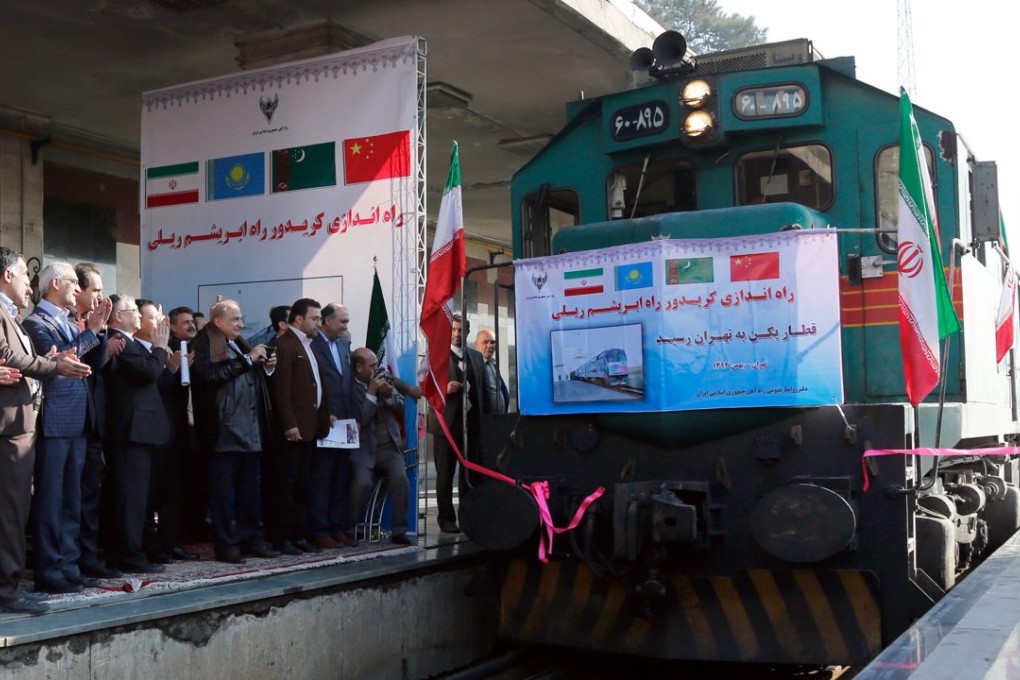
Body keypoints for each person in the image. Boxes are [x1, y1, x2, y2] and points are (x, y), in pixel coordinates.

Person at [0, 247, 91, 614]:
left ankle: (12, 584)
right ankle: (10, 589)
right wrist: (53, 365)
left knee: (18, 510)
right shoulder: (19, 317)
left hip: (22, 426)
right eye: (25, 275)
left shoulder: (13, 315)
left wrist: (50, 362)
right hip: (12, 428)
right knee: (12, 512)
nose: (29, 283)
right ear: (7, 275)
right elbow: (9, 357)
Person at [22, 262, 110, 594]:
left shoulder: (71, 321)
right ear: (56, 284)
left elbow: (92, 364)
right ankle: (49, 569)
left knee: (73, 498)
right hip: (55, 420)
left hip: (79, 419)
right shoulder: (35, 323)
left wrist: (97, 331)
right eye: (73, 282)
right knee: (51, 499)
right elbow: (57, 362)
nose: (77, 288)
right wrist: (90, 332)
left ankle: (70, 566)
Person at [191, 300, 281, 564]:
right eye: (235, 320)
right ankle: (226, 545)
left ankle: (252, 541)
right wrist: (248, 359)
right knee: (222, 496)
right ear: (218, 321)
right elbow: (210, 376)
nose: (241, 324)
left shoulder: (238, 344)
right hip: (222, 431)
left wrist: (265, 365)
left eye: (241, 319)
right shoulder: (205, 342)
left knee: (249, 493)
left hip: (248, 430)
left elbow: (249, 376)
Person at [104, 295, 171, 574]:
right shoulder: (118, 339)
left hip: (140, 431)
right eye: (134, 311)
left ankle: (132, 550)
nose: (140, 317)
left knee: (137, 497)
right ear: (119, 316)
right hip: (129, 431)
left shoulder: (129, 341)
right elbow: (148, 372)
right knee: (130, 498)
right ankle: (129, 555)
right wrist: (160, 348)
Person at [267, 298, 332, 555]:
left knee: (302, 484)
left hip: (309, 427)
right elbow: (281, 390)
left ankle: (299, 535)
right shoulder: (284, 345)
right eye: (314, 318)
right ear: (298, 319)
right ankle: (283, 537)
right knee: (287, 485)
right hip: (293, 431)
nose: (318, 323)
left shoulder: (308, 345)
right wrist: (289, 423)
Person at [73, 262, 124, 579]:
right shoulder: (68, 323)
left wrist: (101, 340)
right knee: (71, 498)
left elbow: (97, 370)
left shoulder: (95, 325)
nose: (100, 298)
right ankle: (70, 560)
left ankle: (88, 558)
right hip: (68, 421)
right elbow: (67, 362)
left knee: (90, 494)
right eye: (95, 290)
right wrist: (93, 333)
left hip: (94, 421)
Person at [140, 301, 199, 563]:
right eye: (156, 318)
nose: (159, 323)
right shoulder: (150, 350)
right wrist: (172, 369)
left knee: (173, 491)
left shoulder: (178, 350)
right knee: (151, 492)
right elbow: (152, 387)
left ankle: (171, 541)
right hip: (153, 432)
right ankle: (149, 544)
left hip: (176, 431)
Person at [347, 348, 411, 545]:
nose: (377, 369)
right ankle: (348, 529)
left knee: (401, 479)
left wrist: (389, 396)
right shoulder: (350, 388)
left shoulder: (384, 379)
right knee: (362, 483)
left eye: (377, 364)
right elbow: (362, 419)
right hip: (363, 450)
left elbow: (401, 406)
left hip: (388, 448)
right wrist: (372, 393)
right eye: (372, 365)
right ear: (359, 368)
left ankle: (399, 530)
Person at [426, 313, 484, 534]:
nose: (457, 334)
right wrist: (444, 389)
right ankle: (446, 519)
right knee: (445, 475)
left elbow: (482, 390)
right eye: (454, 330)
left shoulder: (476, 357)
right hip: (446, 425)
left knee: (470, 474)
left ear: (467, 332)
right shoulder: (436, 356)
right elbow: (425, 387)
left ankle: (468, 517)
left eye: (461, 330)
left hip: (472, 424)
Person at [309, 303, 359, 548]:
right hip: (326, 421)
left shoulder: (343, 345)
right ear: (327, 321)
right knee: (323, 478)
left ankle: (337, 527)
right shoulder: (313, 345)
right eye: (342, 321)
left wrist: (355, 417)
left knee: (341, 478)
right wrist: (323, 413)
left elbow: (347, 382)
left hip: (346, 422)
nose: (345, 326)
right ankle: (320, 530)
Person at [474, 329, 509, 415]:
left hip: (500, 418)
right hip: (483, 419)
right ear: (476, 344)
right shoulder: (472, 366)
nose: (489, 346)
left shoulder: (493, 365)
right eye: (485, 342)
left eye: (492, 342)